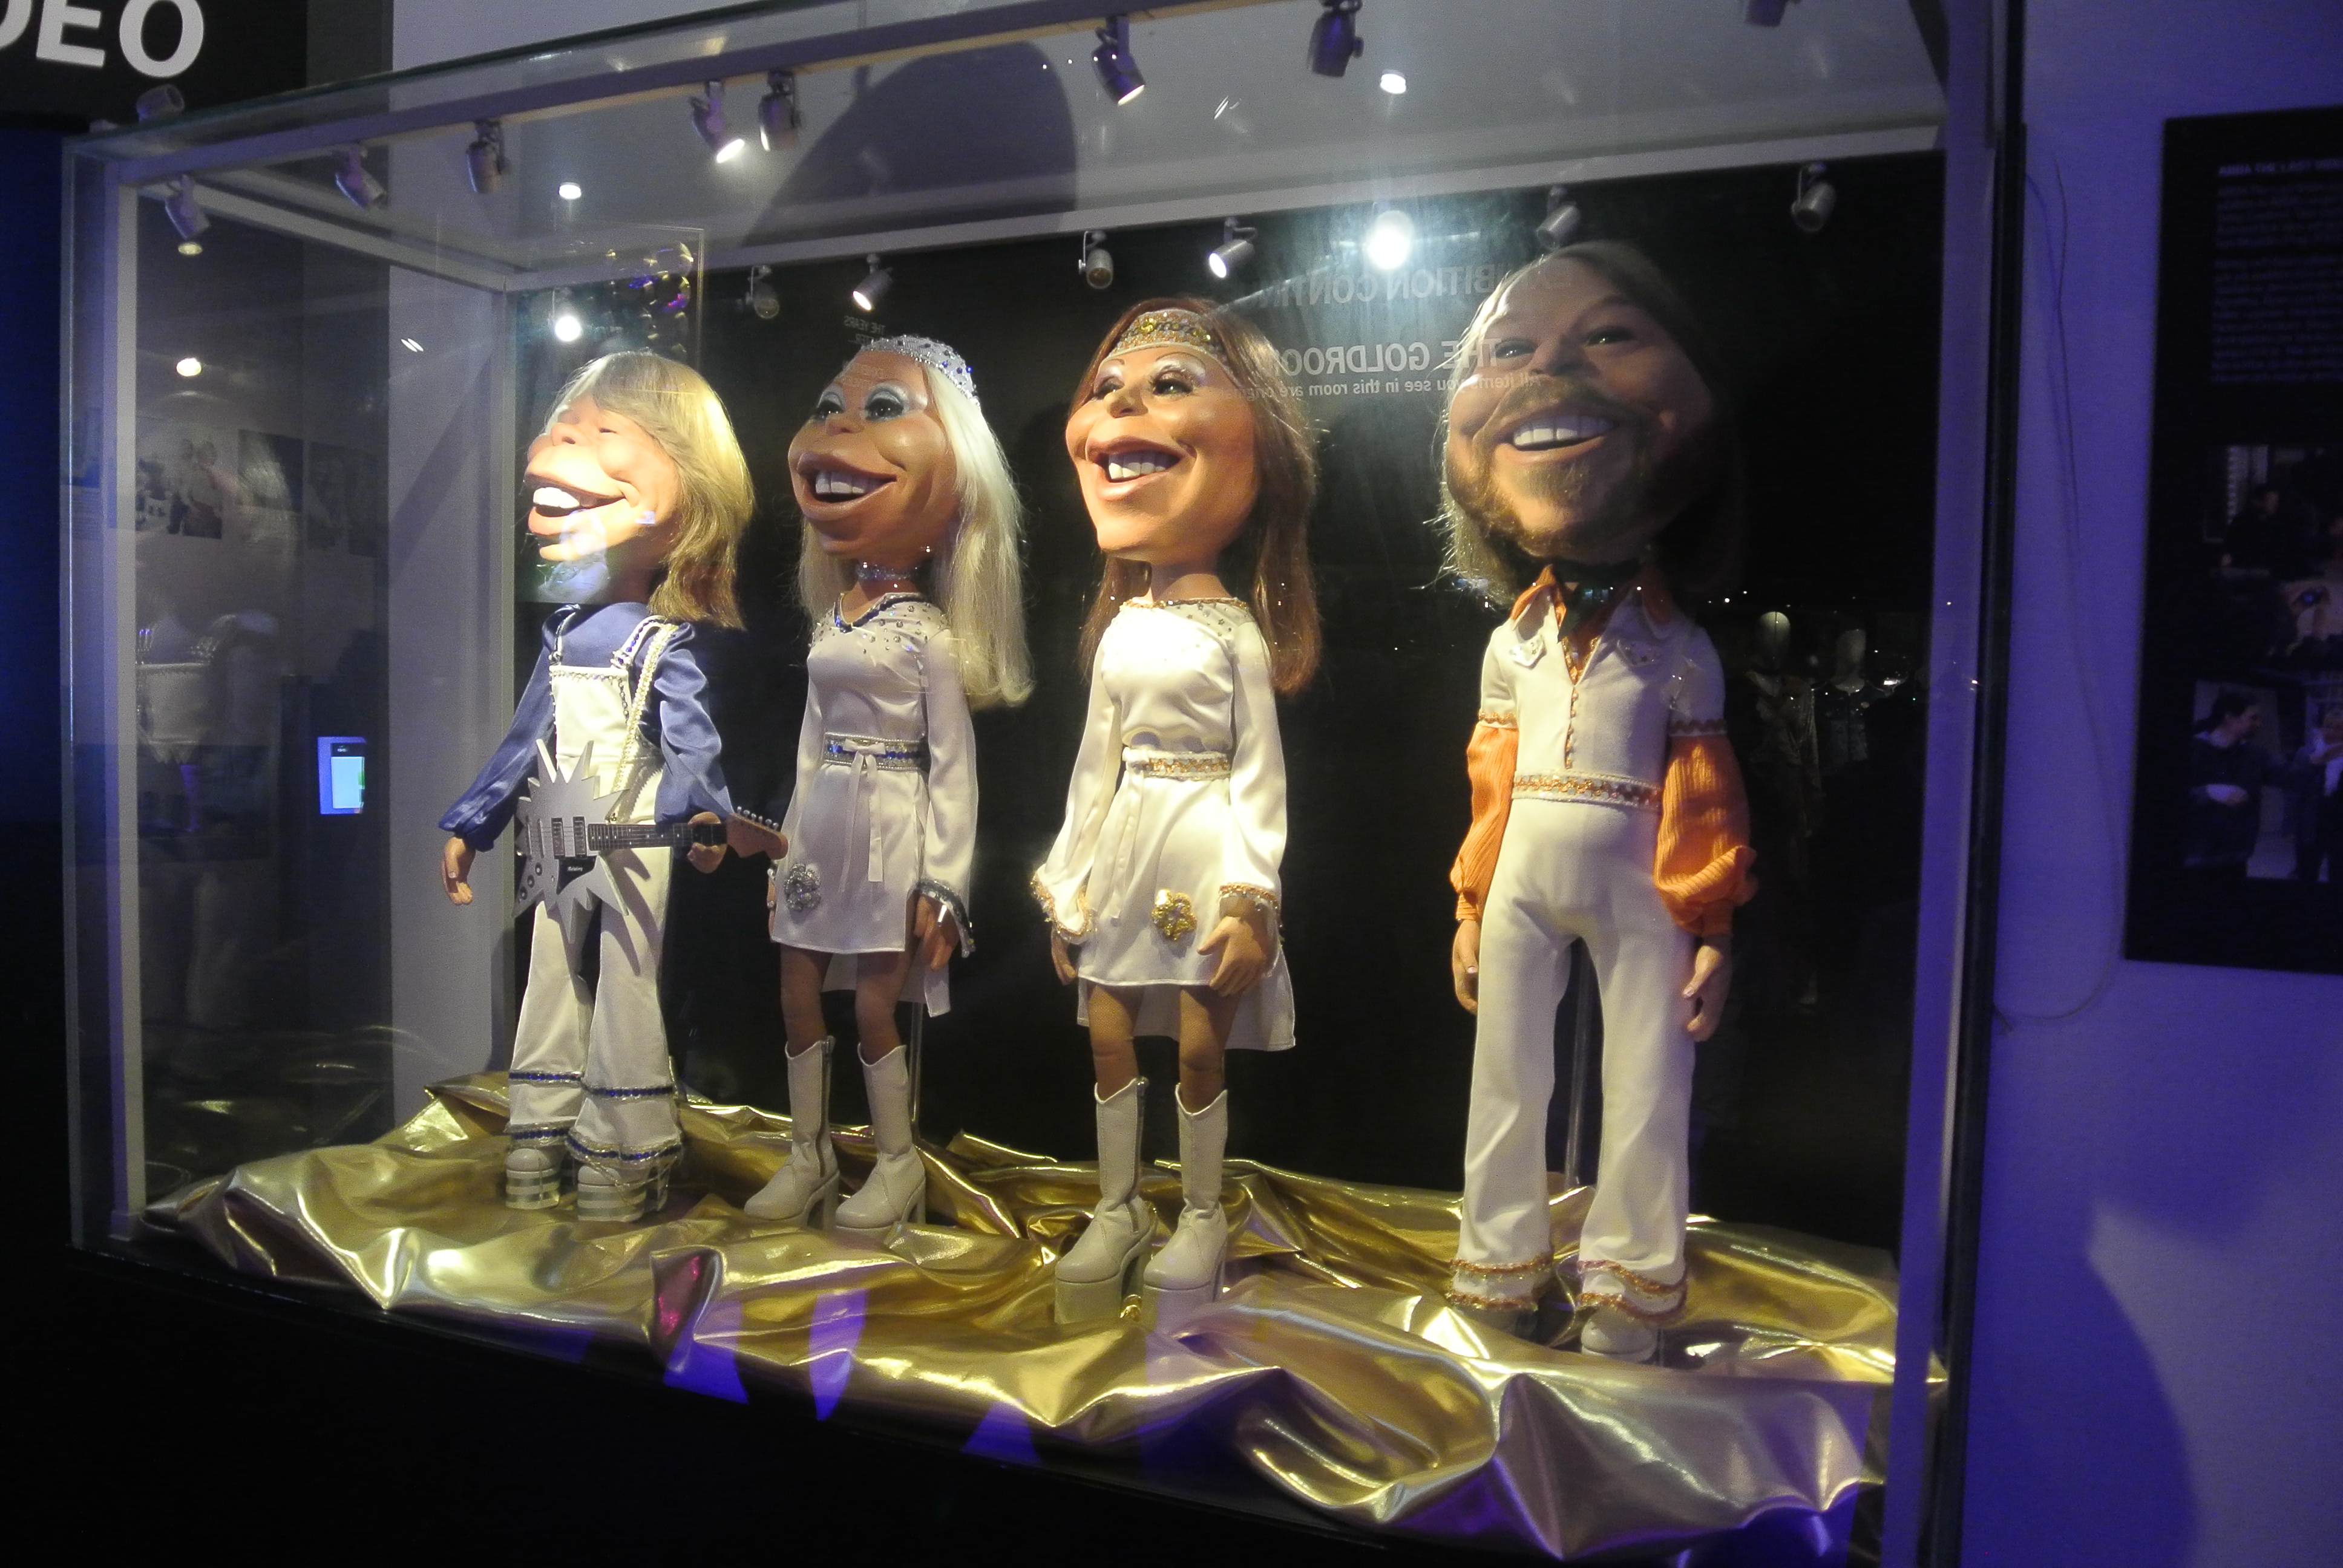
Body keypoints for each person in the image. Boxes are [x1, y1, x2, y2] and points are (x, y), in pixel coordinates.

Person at [1437, 243, 1755, 1362]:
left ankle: (1629, 1280)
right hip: (1524, 871)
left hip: (1639, 878)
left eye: (1609, 334)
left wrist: (1710, 922)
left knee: (1648, 1079)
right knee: (1504, 1076)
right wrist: (1473, 901)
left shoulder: (1679, 645)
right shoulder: (1512, 639)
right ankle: (1498, 1260)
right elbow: (1489, 783)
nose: (1548, 370)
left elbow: (1705, 794)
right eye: (1509, 349)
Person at [1034, 299, 1319, 1328]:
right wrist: (1066, 878)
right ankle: (1118, 1206)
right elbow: (1091, 768)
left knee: (1200, 1047)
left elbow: (1260, 775)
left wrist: (1250, 895)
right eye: (1108, 389)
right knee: (1109, 1038)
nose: (1124, 410)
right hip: (1126, 843)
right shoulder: (1119, 631)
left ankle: (1199, 1212)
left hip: (1202, 843)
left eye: (1163, 387)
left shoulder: (1234, 629)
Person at [439, 352, 752, 1222]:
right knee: (549, 969)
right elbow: (524, 737)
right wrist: (476, 820)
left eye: (604, 431)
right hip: (560, 818)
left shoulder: (662, 641)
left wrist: (700, 815)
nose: (559, 450)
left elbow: (691, 743)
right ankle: (539, 1130)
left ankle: (623, 1144)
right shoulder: (565, 634)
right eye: (563, 429)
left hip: (633, 829)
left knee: (627, 977)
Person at [737, 336, 1031, 1241]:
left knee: (874, 1004)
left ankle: (896, 1160)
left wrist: (945, 880)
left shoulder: (929, 634)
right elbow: (808, 742)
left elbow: (956, 767)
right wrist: (783, 846)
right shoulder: (831, 619)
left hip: (892, 823)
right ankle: (809, 1152)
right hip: (825, 817)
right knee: (796, 990)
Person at [2184, 691, 2273, 878]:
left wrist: (2316, 760)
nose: (2259, 724)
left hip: (2235, 856)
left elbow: (2290, 776)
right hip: (2195, 856)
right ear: (2230, 717)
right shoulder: (2192, 749)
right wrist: (2207, 792)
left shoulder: (2255, 755)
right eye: (2253, 718)